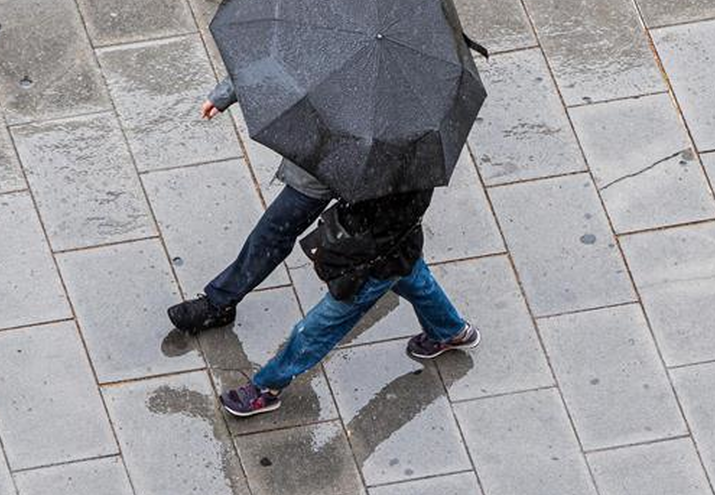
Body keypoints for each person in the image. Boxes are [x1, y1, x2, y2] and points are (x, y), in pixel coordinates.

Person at [185, 80, 480, 417]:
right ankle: (452, 331)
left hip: (375, 251)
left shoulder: (392, 153)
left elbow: (382, 212)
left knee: (324, 323)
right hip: (397, 241)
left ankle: (267, 386)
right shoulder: (419, 136)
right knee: (412, 274)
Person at [166, 78, 337, 334]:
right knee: (273, 233)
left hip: (376, 171)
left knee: (395, 245)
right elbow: (279, 56)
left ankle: (404, 278)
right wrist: (230, 91)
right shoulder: (335, 42)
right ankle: (219, 302)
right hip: (320, 166)